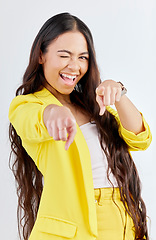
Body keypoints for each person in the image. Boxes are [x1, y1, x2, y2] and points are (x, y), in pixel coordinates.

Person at [9, 12, 152, 240]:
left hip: (124, 221)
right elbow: (31, 120)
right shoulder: (28, 104)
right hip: (75, 228)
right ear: (41, 56)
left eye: (83, 58)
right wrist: (52, 113)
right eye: (64, 55)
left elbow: (140, 138)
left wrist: (118, 93)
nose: (74, 66)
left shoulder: (94, 107)